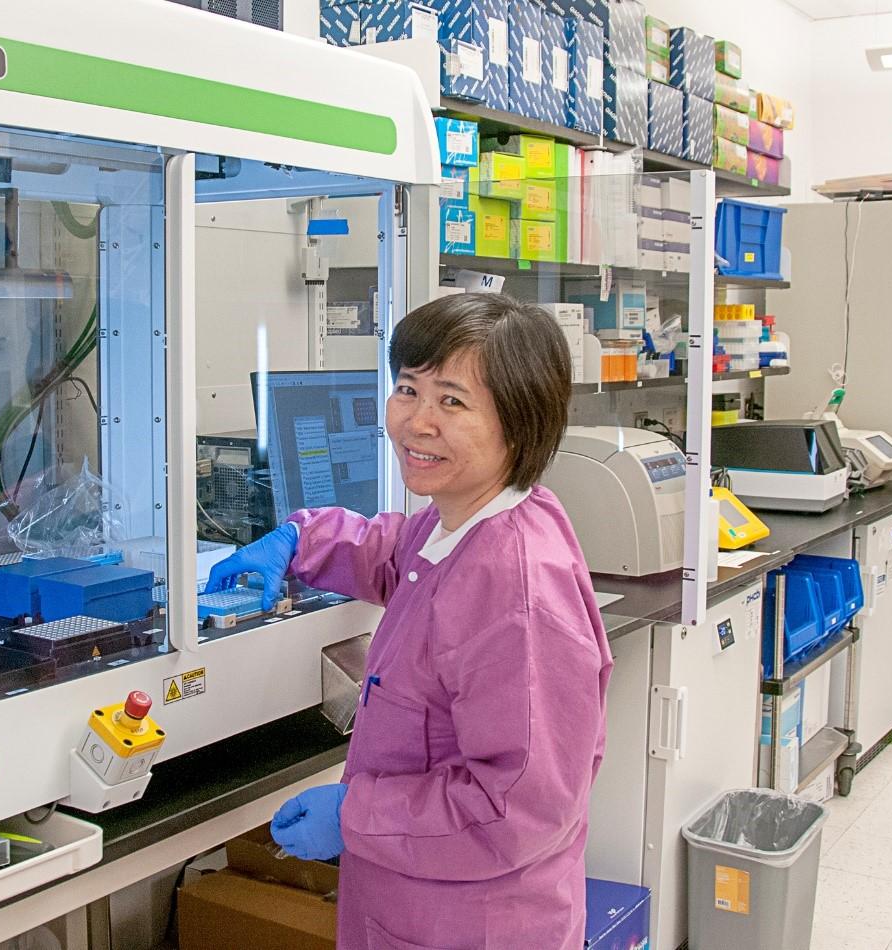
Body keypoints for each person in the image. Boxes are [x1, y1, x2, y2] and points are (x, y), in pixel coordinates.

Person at [205, 293, 612, 950]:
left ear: (519, 421)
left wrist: (355, 817)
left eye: (452, 401)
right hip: (415, 901)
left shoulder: (518, 588)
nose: (416, 422)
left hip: (474, 923)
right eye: (407, 389)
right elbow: (393, 554)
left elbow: (517, 805)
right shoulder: (469, 518)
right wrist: (298, 540)